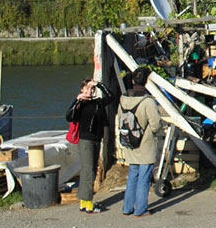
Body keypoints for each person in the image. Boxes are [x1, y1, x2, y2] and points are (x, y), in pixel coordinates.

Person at [66, 76, 115, 214]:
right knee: (89, 170)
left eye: (92, 88)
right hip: (85, 140)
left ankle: (83, 201)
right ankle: (88, 204)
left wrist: (98, 84)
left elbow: (111, 96)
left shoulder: (98, 102)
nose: (90, 91)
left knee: (92, 169)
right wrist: (78, 100)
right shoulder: (80, 104)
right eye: (87, 88)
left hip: (96, 139)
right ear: (82, 89)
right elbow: (69, 116)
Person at [120, 66, 164, 217]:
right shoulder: (148, 102)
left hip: (130, 142)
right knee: (144, 178)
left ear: (132, 80)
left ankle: (127, 207)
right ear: (146, 82)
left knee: (133, 175)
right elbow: (156, 125)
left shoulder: (123, 99)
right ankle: (141, 209)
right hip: (145, 144)